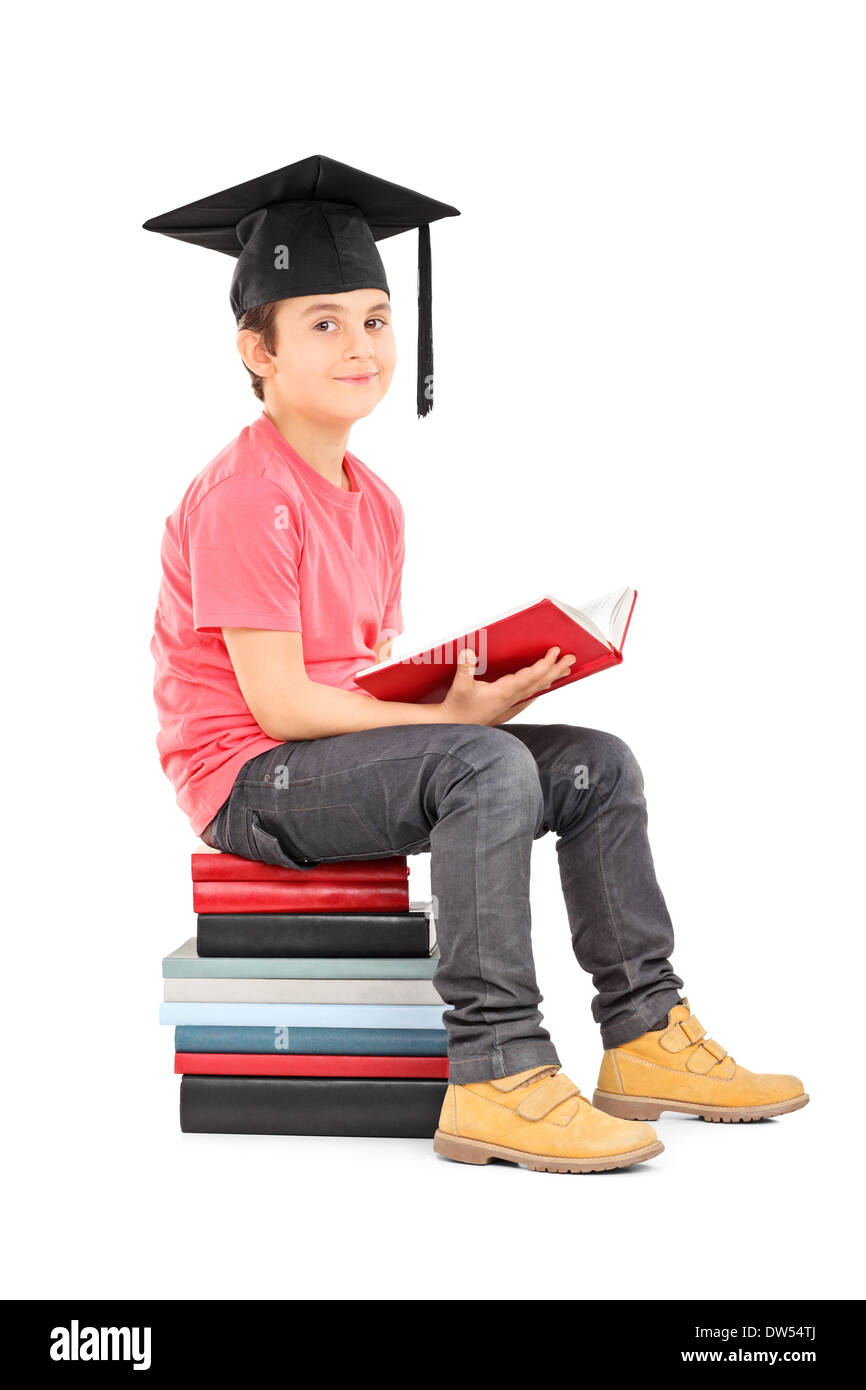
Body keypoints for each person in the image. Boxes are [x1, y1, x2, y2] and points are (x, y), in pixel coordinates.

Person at [148, 156, 808, 1174]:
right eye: (321, 323)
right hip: (246, 778)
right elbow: (277, 703)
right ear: (258, 350)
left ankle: (643, 1036)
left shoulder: (375, 502)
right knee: (483, 763)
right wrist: (459, 726)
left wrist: (462, 697)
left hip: (325, 752)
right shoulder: (245, 492)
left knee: (593, 762)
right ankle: (496, 1072)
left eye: (374, 318)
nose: (359, 344)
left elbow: (359, 677)